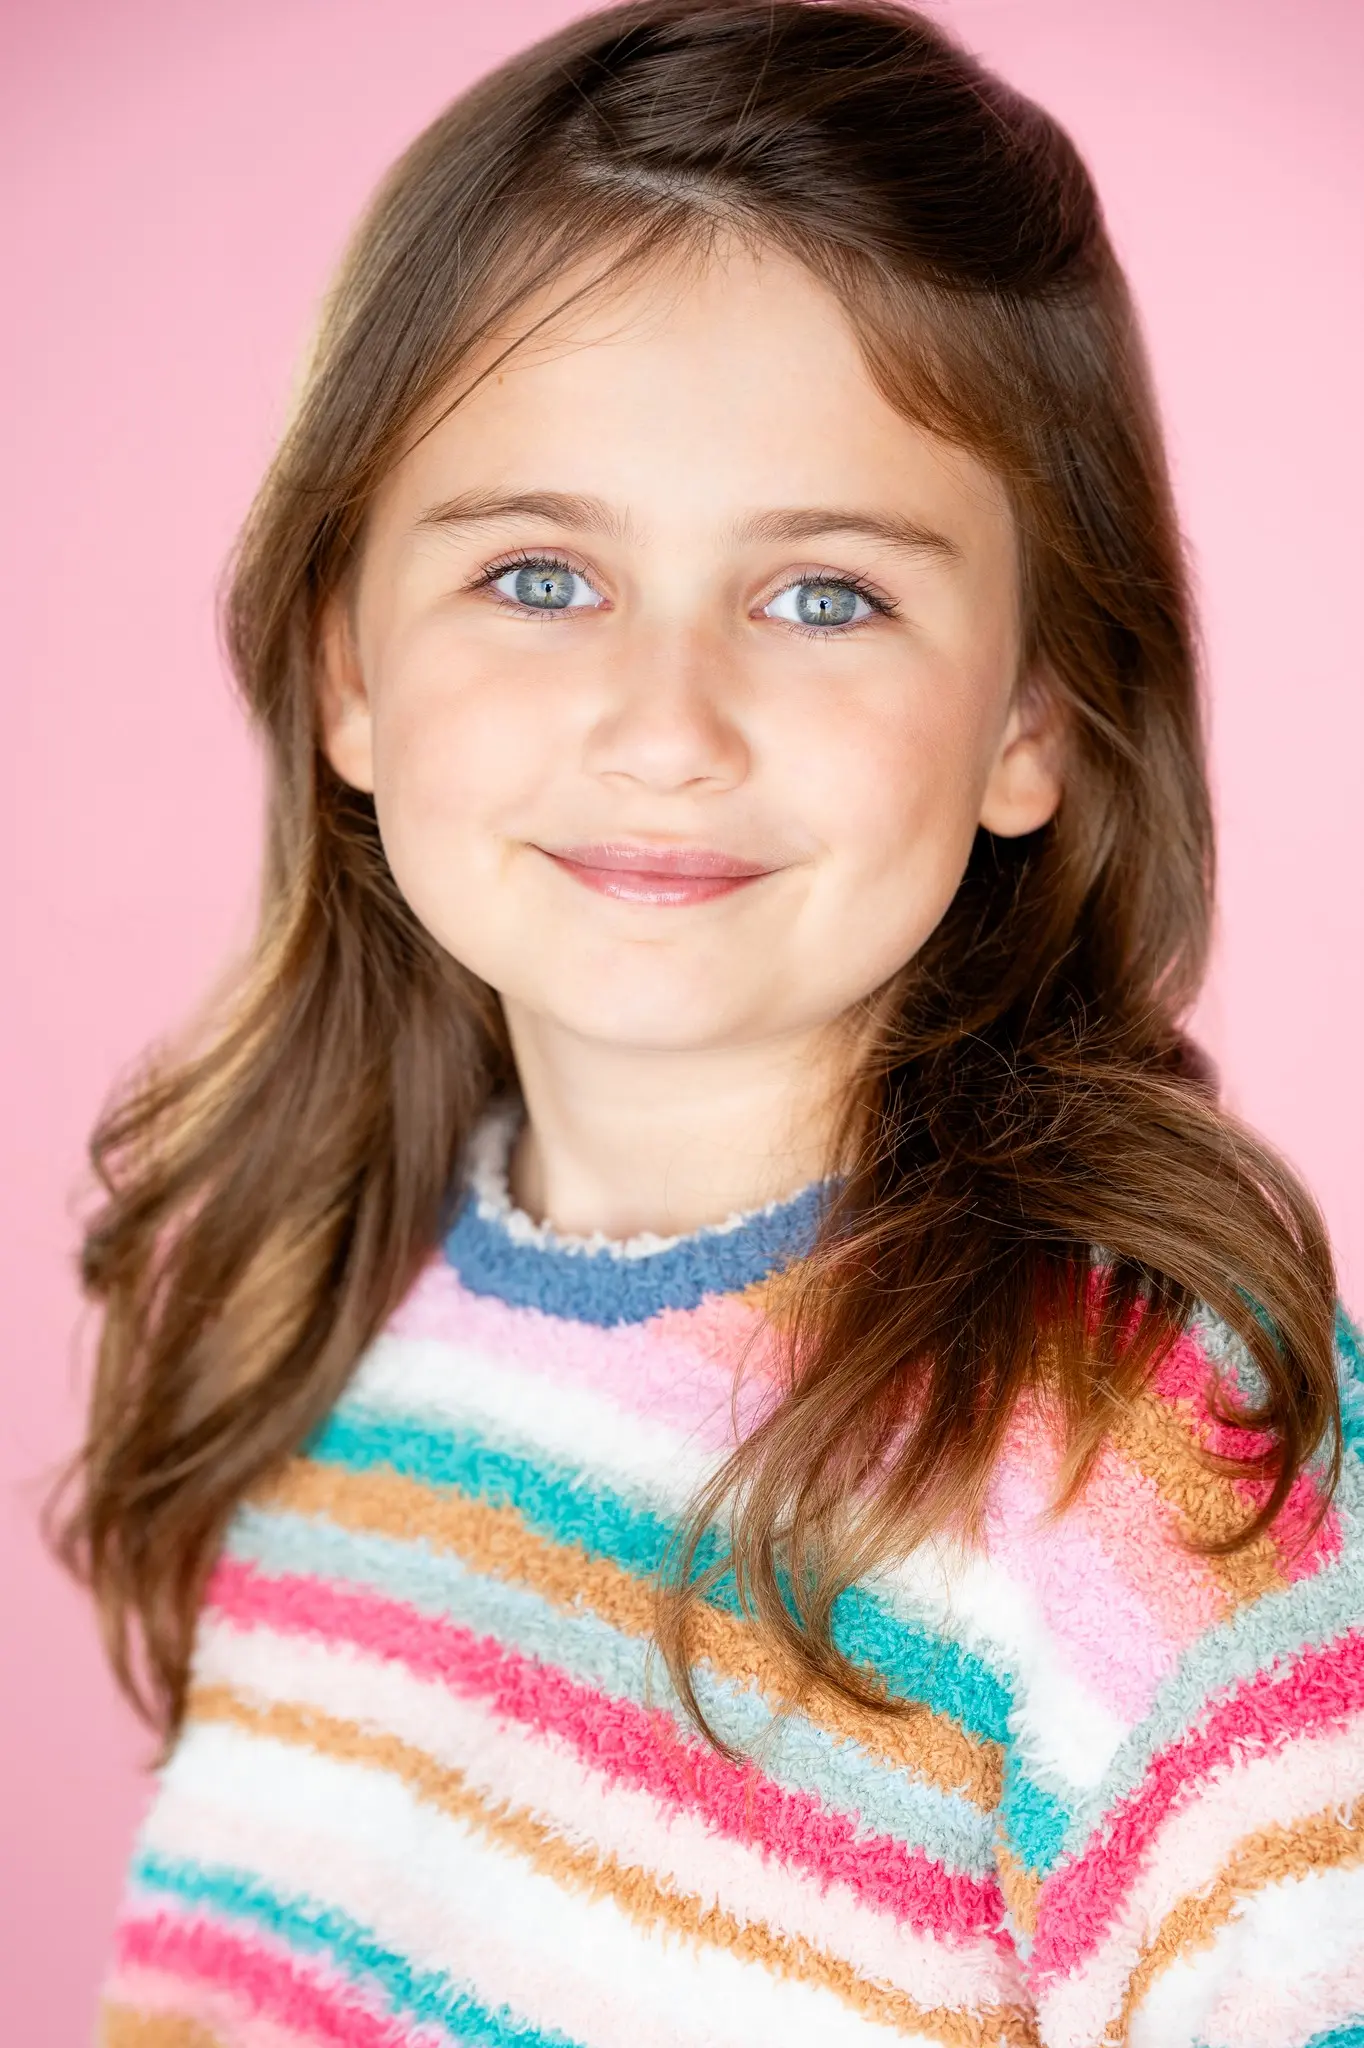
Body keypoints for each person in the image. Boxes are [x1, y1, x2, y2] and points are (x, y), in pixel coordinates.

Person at [61, 2, 1364, 2042]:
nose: (665, 731)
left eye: (824, 595)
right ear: (349, 674)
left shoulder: (1129, 1459)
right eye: (537, 575)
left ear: (1032, 712)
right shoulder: (299, 1299)